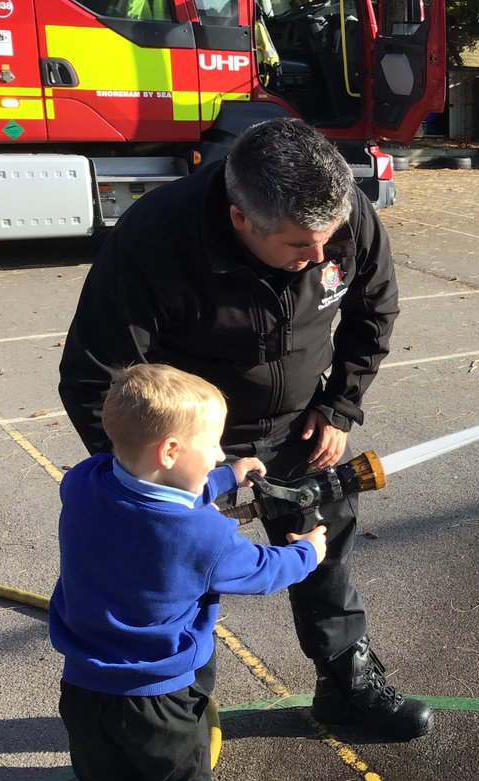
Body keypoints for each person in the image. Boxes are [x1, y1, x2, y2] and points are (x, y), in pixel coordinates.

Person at [58, 117, 434, 744]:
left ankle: (346, 687)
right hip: (190, 439)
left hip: (302, 426)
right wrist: (156, 480)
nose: (320, 260)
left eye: (329, 242)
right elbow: (96, 375)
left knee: (325, 559)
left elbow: (375, 308)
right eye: (298, 248)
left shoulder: (341, 217)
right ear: (240, 219)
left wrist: (340, 406)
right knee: (174, 587)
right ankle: (165, 745)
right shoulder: (155, 240)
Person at [49, 363, 328, 781]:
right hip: (161, 700)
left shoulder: (82, 484)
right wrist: (309, 551)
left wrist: (226, 478)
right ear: (171, 452)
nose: (221, 454)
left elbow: (145, 492)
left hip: (84, 691)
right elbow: (265, 570)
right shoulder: (204, 536)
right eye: (215, 446)